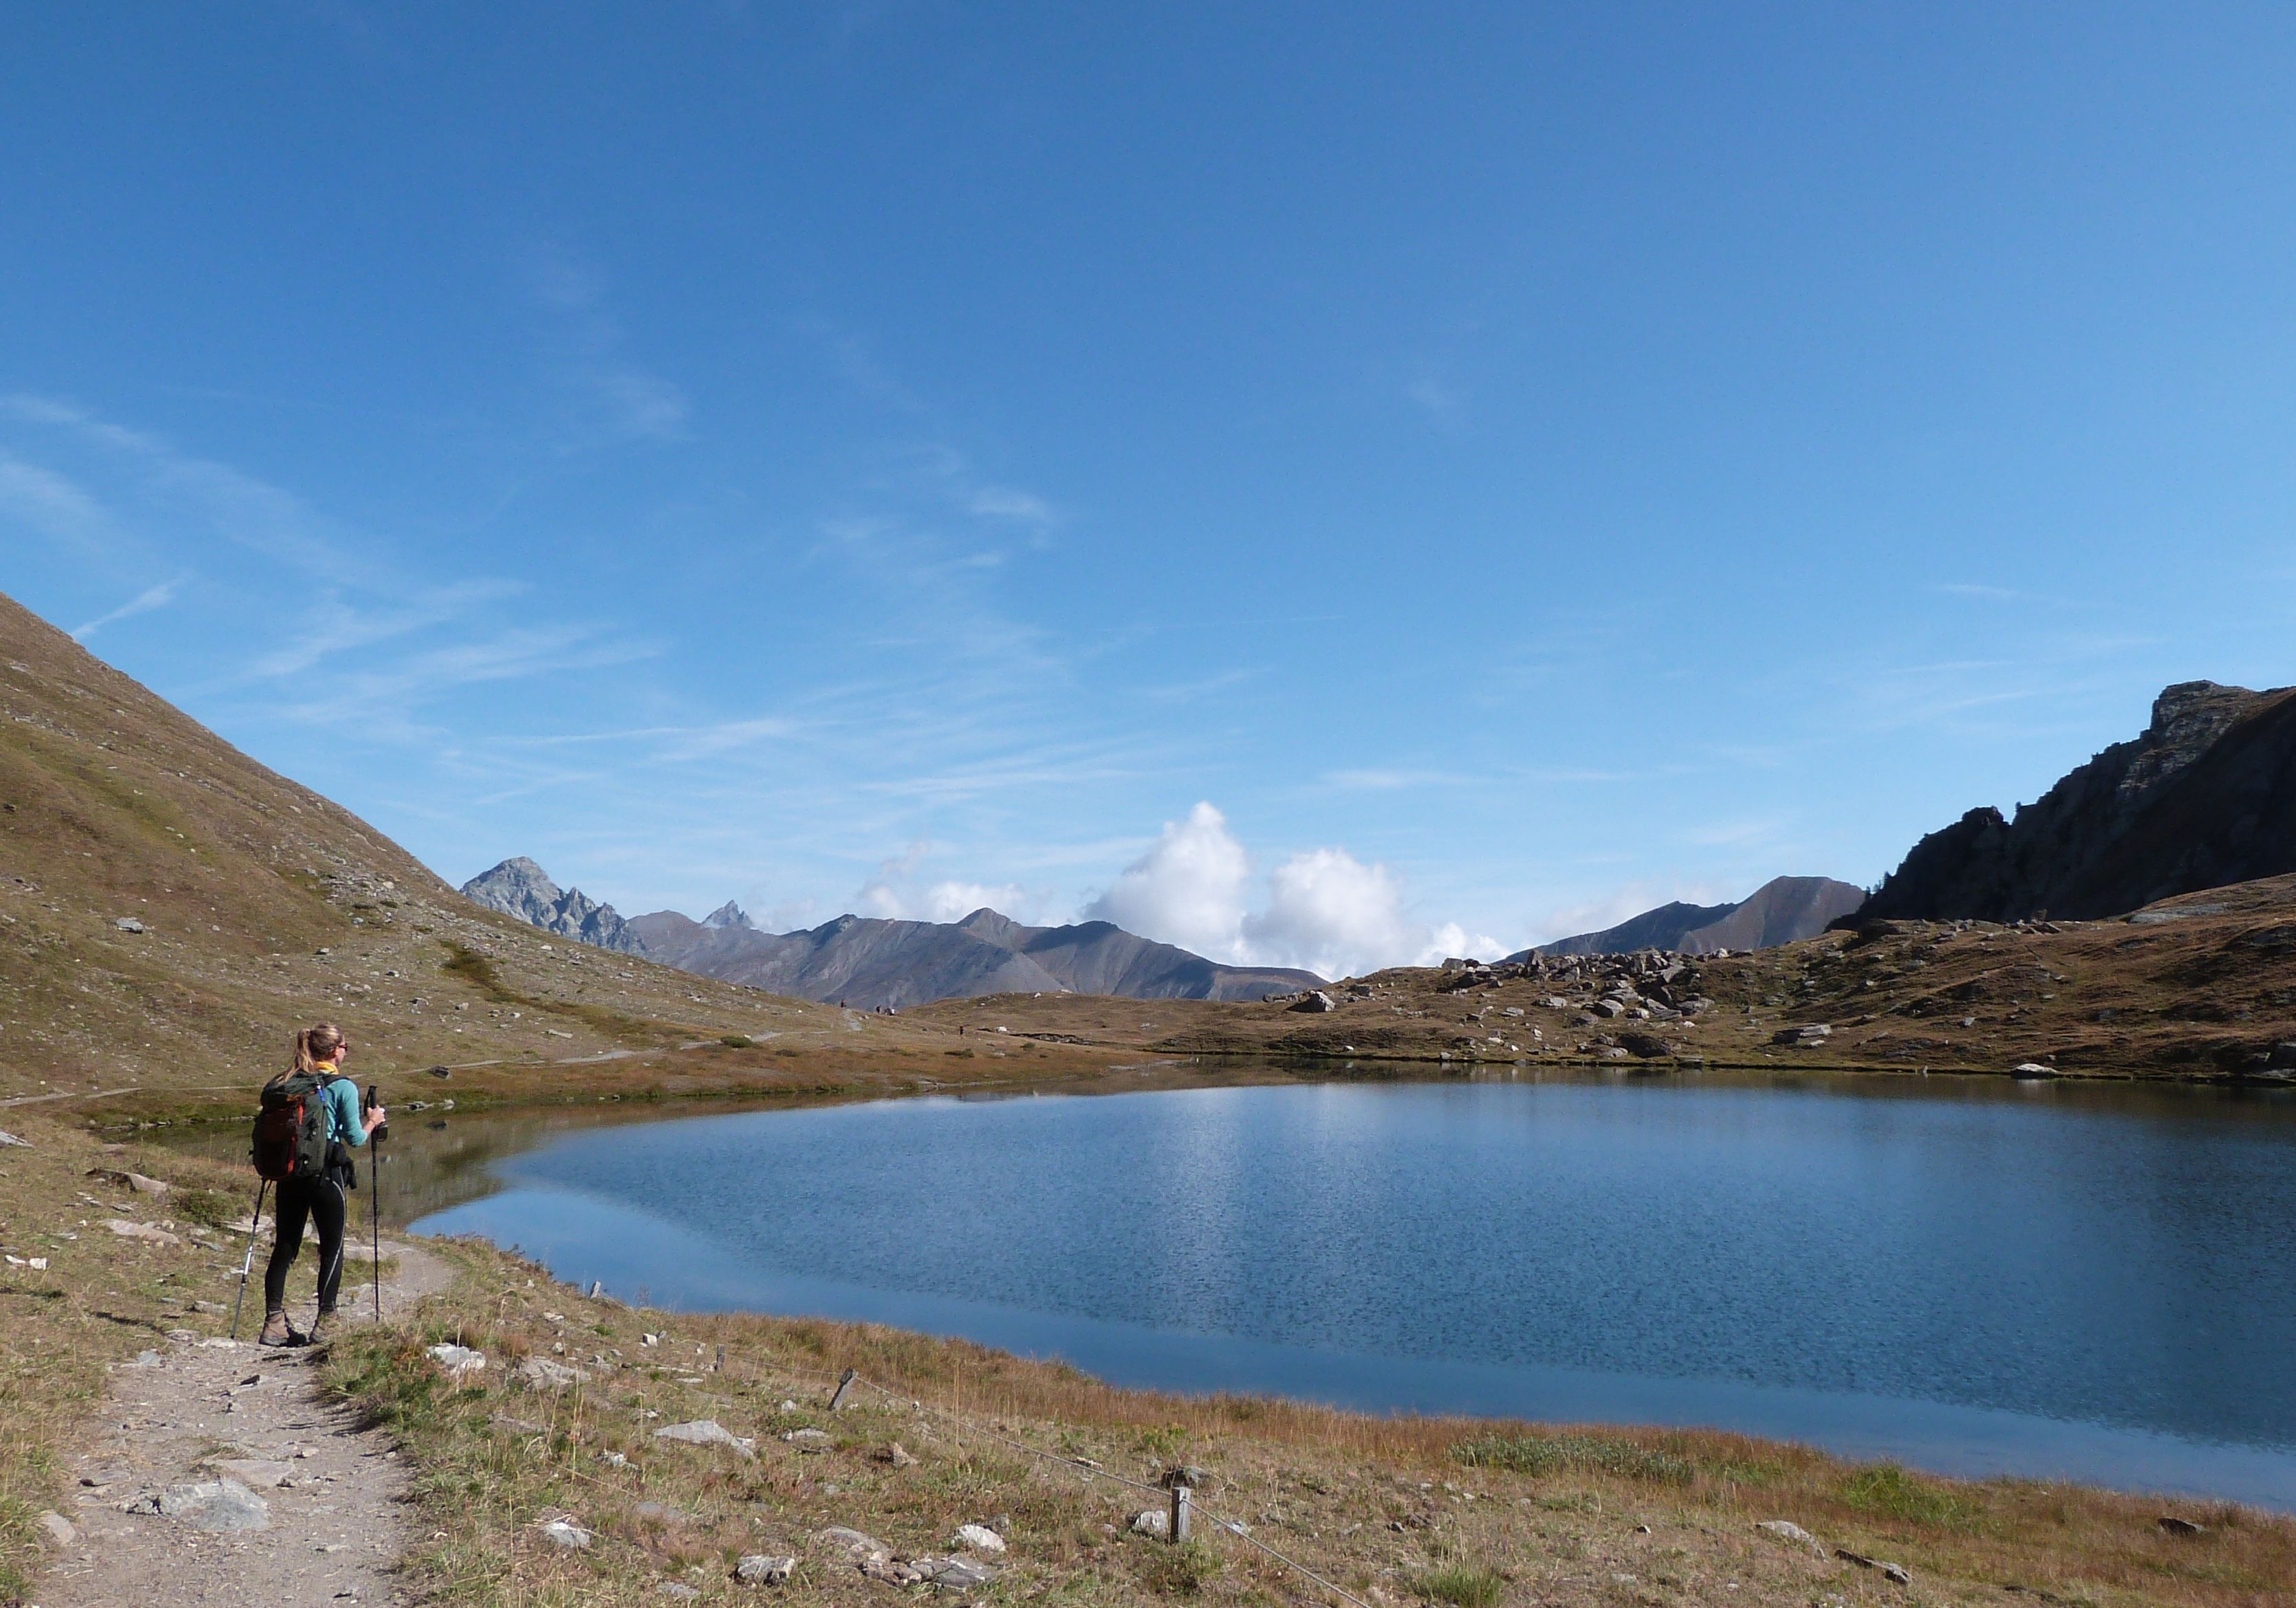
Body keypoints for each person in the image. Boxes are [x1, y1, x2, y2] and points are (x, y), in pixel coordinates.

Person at [258, 1023, 385, 1347]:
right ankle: (325, 1320)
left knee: (286, 1245)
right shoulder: (343, 1087)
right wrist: (374, 1121)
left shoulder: (289, 1081)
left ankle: (273, 1322)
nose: (346, 1051)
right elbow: (355, 1138)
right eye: (345, 1046)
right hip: (326, 1174)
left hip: (290, 1174)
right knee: (333, 1247)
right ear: (333, 1051)